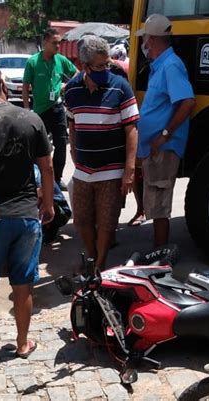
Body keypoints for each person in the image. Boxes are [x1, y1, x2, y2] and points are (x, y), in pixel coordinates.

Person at [0, 63, 54, 359]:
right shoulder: (31, 119)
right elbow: (47, 166)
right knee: (23, 283)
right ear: (3, 85)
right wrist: (49, 203)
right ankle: (21, 343)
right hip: (27, 214)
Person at [65, 35, 139, 269]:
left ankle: (100, 264)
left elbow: (131, 130)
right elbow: (72, 124)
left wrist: (129, 169)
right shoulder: (72, 91)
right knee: (82, 220)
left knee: (107, 223)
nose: (105, 69)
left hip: (111, 170)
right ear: (84, 66)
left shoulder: (120, 87)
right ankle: (93, 254)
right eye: (99, 66)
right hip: (84, 171)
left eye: (107, 64)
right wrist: (75, 157)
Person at [135, 14, 196, 246]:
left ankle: (159, 257)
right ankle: (157, 253)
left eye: (146, 39)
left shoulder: (170, 65)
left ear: (152, 40)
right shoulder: (160, 65)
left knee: (159, 206)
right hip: (155, 147)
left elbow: (188, 102)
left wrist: (163, 136)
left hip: (163, 147)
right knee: (155, 203)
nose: (144, 44)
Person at [22, 28, 78, 190]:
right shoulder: (33, 62)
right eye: (54, 43)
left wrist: (67, 85)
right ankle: (35, 179)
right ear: (45, 42)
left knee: (61, 144)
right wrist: (26, 110)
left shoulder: (61, 60)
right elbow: (25, 87)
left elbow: (77, 74)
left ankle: (57, 179)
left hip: (57, 109)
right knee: (37, 146)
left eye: (59, 43)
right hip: (39, 112)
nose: (58, 46)